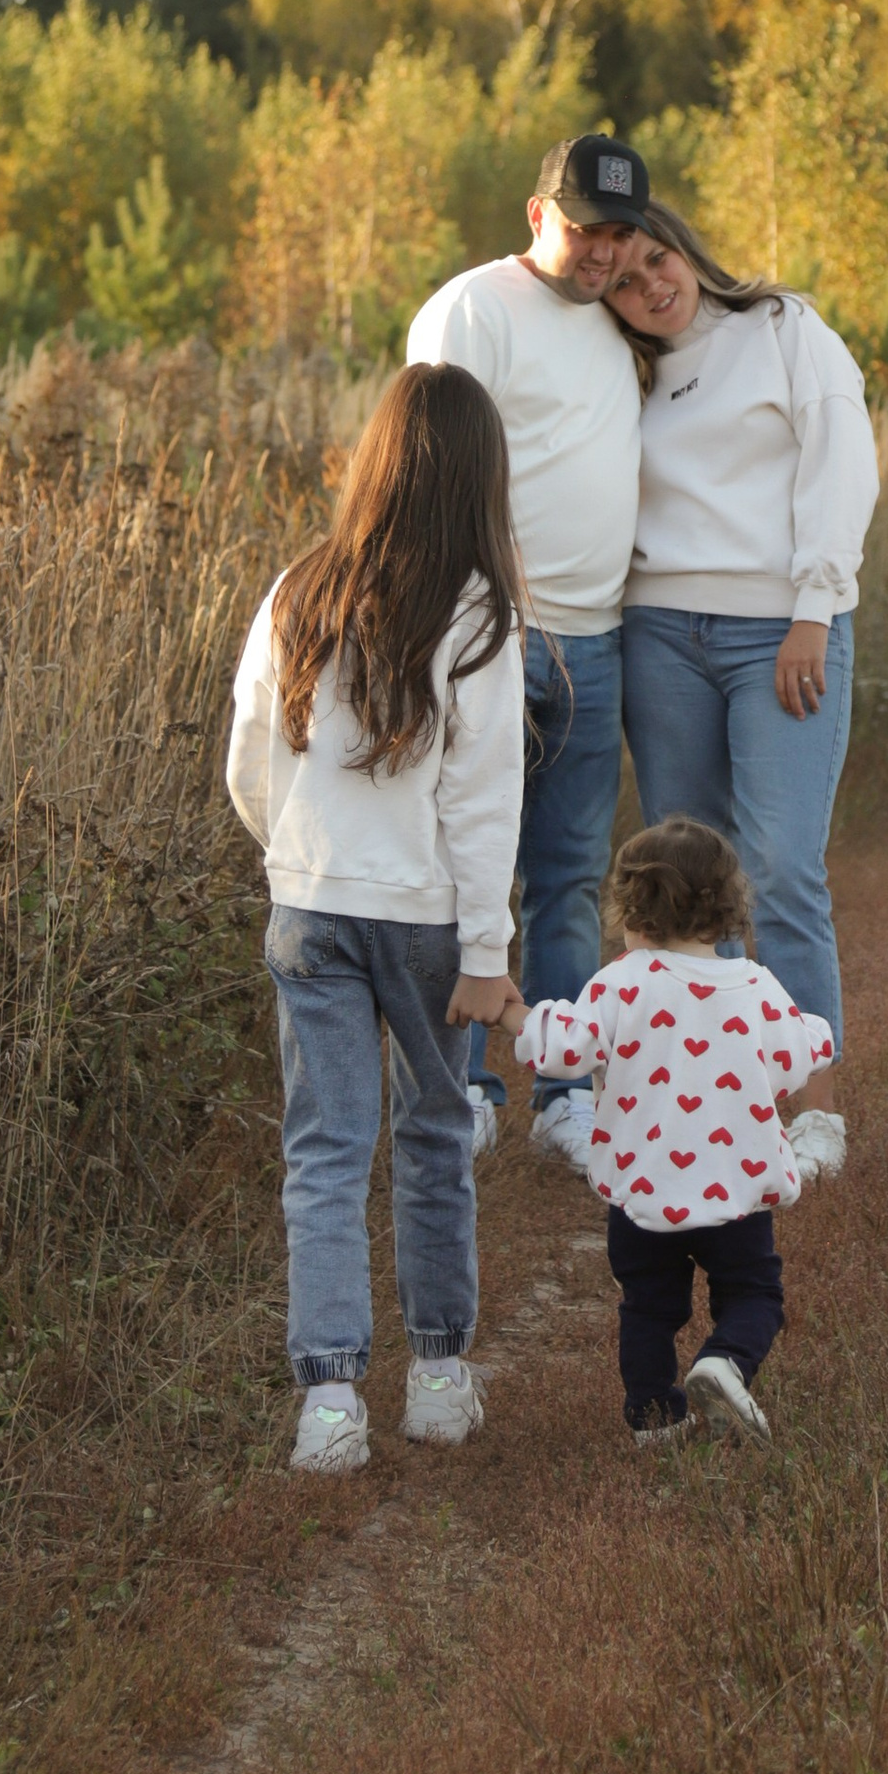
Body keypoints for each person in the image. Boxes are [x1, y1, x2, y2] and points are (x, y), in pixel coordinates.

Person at [226, 362, 525, 1476]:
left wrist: (296, 857)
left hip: (309, 906)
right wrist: (489, 956)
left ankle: (330, 1402)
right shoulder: (480, 614)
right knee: (436, 1137)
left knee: (324, 1152)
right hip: (426, 920)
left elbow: (250, 761)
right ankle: (438, 1379)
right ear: (477, 477)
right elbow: (483, 800)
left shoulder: (298, 588)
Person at [406, 132, 647, 1170]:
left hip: (595, 640)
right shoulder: (471, 310)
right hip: (489, 635)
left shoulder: (621, 323)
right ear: (536, 213)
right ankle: (459, 1087)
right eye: (585, 226)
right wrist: (456, 621)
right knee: (468, 872)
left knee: (567, 877)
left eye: (619, 232)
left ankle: (561, 1091)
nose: (601, 251)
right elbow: (425, 471)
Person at [606, 198, 878, 1051]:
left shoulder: (782, 328)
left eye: (658, 259)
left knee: (783, 870)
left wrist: (814, 606)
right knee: (687, 884)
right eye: (622, 282)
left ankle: (810, 1102)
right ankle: (711, 1089)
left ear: (685, 248)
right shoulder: (625, 371)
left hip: (779, 632)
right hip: (659, 638)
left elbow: (843, 459)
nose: (651, 286)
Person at [516, 813, 843, 1445]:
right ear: (726, 910)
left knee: (648, 1308)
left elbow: (564, 1050)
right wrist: (813, 1036)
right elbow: (798, 1058)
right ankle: (724, 1362)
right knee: (754, 1295)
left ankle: (654, 1421)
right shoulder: (754, 986)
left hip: (643, 1194)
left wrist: (515, 1017)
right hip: (737, 1192)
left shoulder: (620, 985)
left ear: (631, 910)